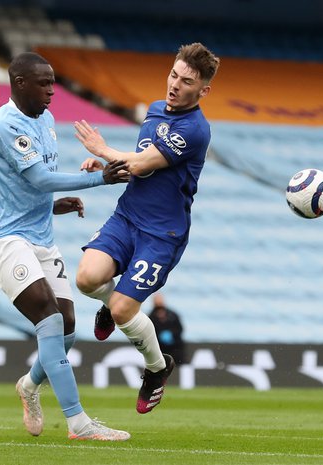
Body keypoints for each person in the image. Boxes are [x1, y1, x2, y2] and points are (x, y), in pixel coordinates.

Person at [0, 52, 130, 441]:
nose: (51, 90)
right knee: (49, 317)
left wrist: (53, 206)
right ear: (19, 83)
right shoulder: (6, 123)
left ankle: (28, 386)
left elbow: (28, 185)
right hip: (3, 239)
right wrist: (101, 181)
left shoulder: (44, 120)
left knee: (68, 329)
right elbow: (42, 178)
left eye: (53, 81)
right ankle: (79, 424)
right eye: (42, 82)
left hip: (39, 235)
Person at [74, 43, 220, 414]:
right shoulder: (156, 111)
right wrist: (105, 164)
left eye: (186, 81)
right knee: (87, 279)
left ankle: (157, 368)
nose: (175, 84)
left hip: (162, 234)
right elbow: (139, 161)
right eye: (173, 74)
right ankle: (109, 302)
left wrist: (104, 149)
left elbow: (141, 164)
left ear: (203, 91)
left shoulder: (195, 130)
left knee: (124, 310)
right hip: (127, 217)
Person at [148, 293, 186, 365]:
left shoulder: (173, 315)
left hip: (175, 349)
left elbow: (180, 329)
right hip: (160, 350)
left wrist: (172, 335)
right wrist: (159, 336)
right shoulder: (150, 317)